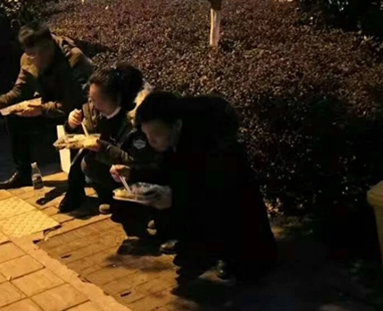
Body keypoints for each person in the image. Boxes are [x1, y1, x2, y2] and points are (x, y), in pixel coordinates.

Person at [111, 91, 276, 282]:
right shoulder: (173, 135)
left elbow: (211, 192)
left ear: (176, 126)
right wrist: (132, 172)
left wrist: (174, 198)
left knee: (243, 260)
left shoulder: (209, 144)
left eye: (155, 134)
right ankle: (196, 248)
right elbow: (164, 169)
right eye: (147, 135)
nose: (151, 141)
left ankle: (224, 253)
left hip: (233, 207)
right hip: (209, 191)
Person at [0, 25, 94, 190]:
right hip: (49, 108)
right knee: (14, 116)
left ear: (47, 48)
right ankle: (23, 173)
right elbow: (20, 90)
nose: (30, 59)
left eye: (33, 54)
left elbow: (76, 101)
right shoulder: (28, 58)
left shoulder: (73, 59)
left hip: (77, 113)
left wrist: (41, 109)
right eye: (27, 54)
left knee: (75, 119)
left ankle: (82, 177)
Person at [59, 65, 156, 214]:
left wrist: (103, 148)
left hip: (136, 172)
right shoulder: (94, 109)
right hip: (110, 164)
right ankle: (105, 196)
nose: (92, 104)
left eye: (97, 100)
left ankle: (140, 206)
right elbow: (81, 132)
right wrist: (71, 124)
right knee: (86, 161)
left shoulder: (135, 122)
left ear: (116, 99)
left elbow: (137, 161)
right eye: (90, 99)